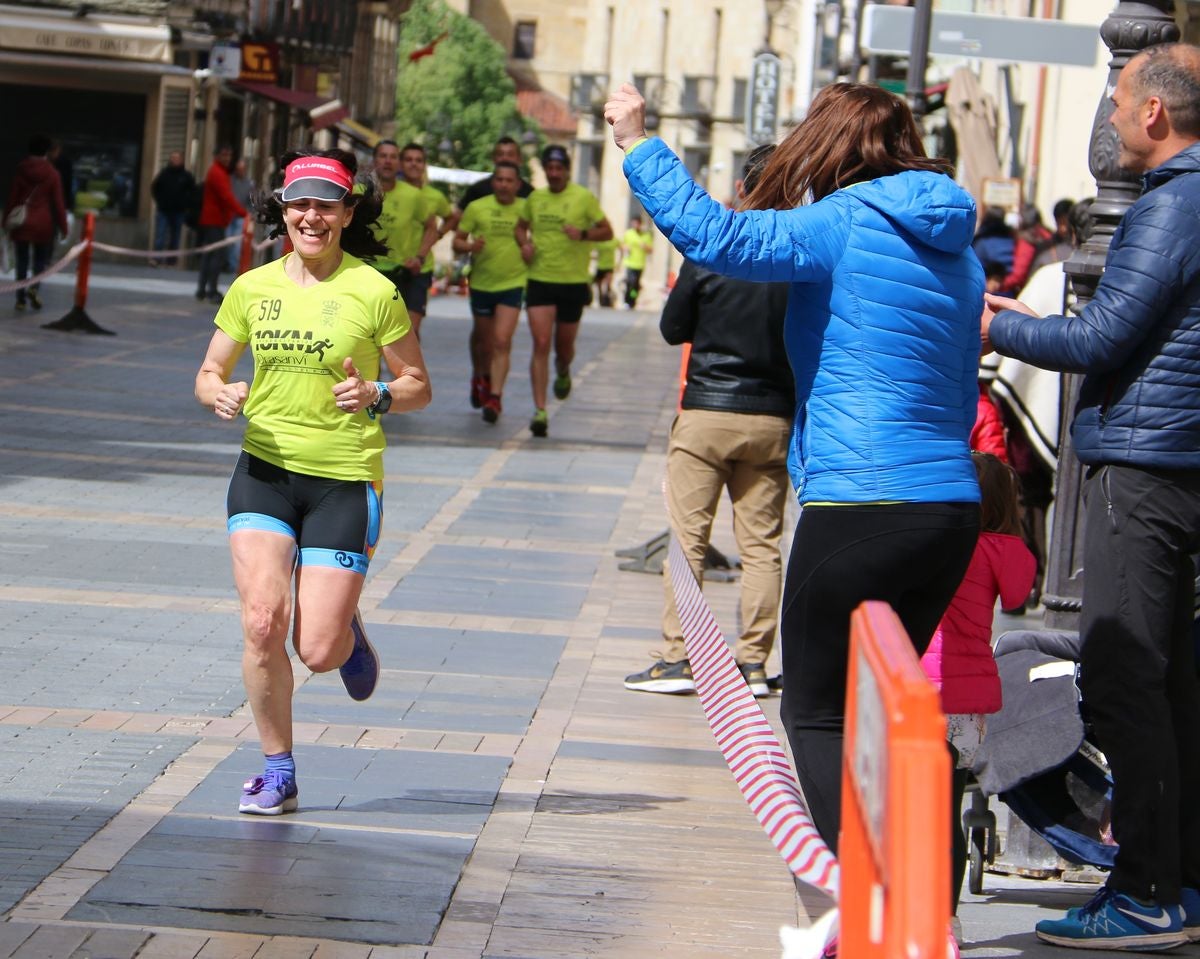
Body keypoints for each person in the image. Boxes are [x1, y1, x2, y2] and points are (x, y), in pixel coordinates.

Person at [605, 82, 982, 866]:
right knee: (896, 706)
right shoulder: (957, 246)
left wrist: (637, 142)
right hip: (948, 506)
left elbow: (716, 237)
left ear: (829, 143)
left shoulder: (844, 221)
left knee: (817, 708)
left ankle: (865, 890)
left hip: (861, 504)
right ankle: (927, 895)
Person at [981, 42, 1200, 950]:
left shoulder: (1172, 202)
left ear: (1154, 112)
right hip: (1178, 459)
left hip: (1142, 466)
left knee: (1121, 675)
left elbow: (1102, 339)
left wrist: (1002, 326)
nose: (1108, 115)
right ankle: (1177, 881)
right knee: (1172, 681)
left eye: (1117, 99)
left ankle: (1145, 890)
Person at [194, 148, 431, 816]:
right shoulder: (252, 287)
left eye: (326, 205)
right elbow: (208, 371)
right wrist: (218, 392)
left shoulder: (374, 290)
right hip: (265, 472)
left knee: (318, 651)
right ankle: (278, 770)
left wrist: (379, 393)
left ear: (348, 214)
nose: (311, 216)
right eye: (299, 203)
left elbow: (418, 385)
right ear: (283, 211)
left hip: (344, 479)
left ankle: (343, 627)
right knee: (262, 621)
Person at [623, 145, 794, 699]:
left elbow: (673, 329)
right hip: (773, 418)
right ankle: (754, 664)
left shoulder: (711, 250)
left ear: (742, 189)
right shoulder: (802, 260)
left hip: (707, 414)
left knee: (688, 540)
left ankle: (680, 658)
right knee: (762, 547)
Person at [919, 452, 1035, 955]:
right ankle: (945, 919)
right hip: (966, 706)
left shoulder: (932, 538)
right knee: (947, 811)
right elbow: (1018, 597)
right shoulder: (1003, 549)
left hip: (916, 693)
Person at [514, 144, 613, 438]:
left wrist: (582, 234)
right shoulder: (535, 198)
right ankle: (540, 410)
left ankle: (563, 368)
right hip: (540, 279)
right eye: (550, 169)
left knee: (564, 348)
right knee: (541, 342)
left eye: (559, 168)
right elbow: (520, 227)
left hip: (572, 282)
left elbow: (607, 231)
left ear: (567, 170)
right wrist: (525, 245)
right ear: (545, 171)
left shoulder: (583, 198)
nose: (554, 173)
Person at [454, 137, 535, 404]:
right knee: (483, 340)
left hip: (514, 281)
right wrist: (470, 246)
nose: (503, 184)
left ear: (518, 182)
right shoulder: (477, 200)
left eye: (509, 180)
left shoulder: (530, 202)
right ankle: (480, 374)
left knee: (501, 340)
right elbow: (457, 237)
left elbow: (542, 236)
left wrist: (531, 249)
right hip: (481, 281)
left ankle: (495, 397)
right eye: (499, 179)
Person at [369, 139, 439, 338]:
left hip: (404, 272)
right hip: (369, 270)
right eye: (383, 156)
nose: (388, 161)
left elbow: (431, 228)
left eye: (393, 157)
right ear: (374, 161)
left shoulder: (413, 195)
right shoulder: (361, 193)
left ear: (398, 164)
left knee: (407, 333)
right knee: (371, 334)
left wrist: (420, 258)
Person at [4, 133, 68, 312]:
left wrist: (5, 221)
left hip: (22, 222)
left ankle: (20, 299)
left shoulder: (21, 169)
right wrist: (64, 227)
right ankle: (34, 288)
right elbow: (58, 203)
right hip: (43, 224)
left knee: (22, 261)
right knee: (40, 261)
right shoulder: (53, 173)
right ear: (46, 151)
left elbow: (12, 198)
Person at [399, 143, 454, 334]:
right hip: (391, 265)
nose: (414, 164)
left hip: (420, 267)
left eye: (418, 160)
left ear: (424, 165)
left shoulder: (435, 196)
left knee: (411, 330)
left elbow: (451, 217)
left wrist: (439, 234)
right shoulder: (388, 192)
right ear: (400, 164)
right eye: (408, 160)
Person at [195, 146, 246, 303]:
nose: (227, 158)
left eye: (229, 155)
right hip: (214, 220)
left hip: (214, 219)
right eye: (224, 155)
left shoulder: (219, 171)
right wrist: (242, 212)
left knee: (210, 254)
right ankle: (211, 290)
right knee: (216, 255)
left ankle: (202, 289)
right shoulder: (217, 172)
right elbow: (226, 196)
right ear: (217, 156)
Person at [151, 151, 196, 267]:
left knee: (175, 237)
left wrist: (186, 204)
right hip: (164, 210)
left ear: (181, 160)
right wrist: (160, 201)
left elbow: (193, 191)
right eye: (173, 158)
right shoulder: (164, 174)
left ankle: (171, 260)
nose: (175, 160)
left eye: (177, 158)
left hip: (179, 211)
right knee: (160, 235)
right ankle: (157, 258)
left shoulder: (186, 176)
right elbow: (155, 188)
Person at [225, 157, 253, 272]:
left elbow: (251, 201)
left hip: (240, 217)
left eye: (242, 169)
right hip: (228, 216)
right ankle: (229, 264)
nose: (240, 171)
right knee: (227, 242)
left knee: (237, 245)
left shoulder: (249, 184)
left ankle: (234, 267)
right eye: (238, 169)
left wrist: (250, 215)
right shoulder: (229, 181)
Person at [620, 215, 653, 309]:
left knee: (635, 285)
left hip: (640, 264)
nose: (636, 225)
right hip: (629, 263)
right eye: (634, 223)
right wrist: (625, 248)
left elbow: (650, 250)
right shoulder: (628, 234)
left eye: (638, 224)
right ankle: (626, 300)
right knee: (630, 282)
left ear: (640, 224)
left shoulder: (646, 235)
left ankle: (633, 300)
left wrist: (645, 247)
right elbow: (622, 245)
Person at [592, 235, 618, 307]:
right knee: (599, 285)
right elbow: (592, 251)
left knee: (608, 285)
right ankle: (601, 299)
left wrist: (619, 263)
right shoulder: (598, 242)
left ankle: (608, 300)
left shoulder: (614, 240)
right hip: (600, 266)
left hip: (609, 266)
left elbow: (622, 248)